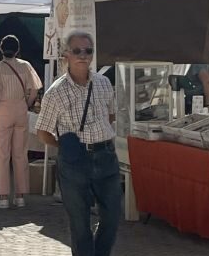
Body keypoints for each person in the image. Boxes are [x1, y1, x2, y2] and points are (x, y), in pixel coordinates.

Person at [35, 31, 121, 256]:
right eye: (77, 51)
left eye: (88, 50)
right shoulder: (56, 92)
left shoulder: (103, 84)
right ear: (66, 55)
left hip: (105, 156)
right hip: (75, 163)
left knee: (112, 216)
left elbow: (110, 115)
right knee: (80, 224)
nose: (83, 55)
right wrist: (65, 147)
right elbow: (43, 131)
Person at [0, 35, 42, 209]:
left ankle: (3, 196)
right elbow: (34, 89)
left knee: (2, 154)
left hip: (3, 110)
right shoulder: (25, 65)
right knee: (20, 154)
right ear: (18, 49)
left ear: (1, 49)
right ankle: (20, 196)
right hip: (20, 109)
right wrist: (26, 104)